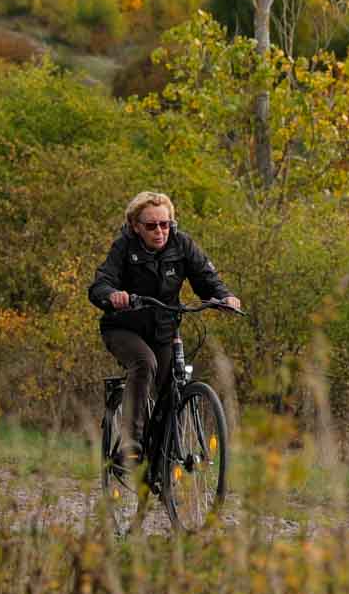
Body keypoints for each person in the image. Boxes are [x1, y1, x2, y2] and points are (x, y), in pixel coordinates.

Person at [87, 191, 240, 454]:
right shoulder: (124, 246)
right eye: (151, 226)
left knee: (172, 386)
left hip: (164, 329)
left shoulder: (182, 245)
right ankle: (130, 441)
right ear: (136, 226)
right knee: (145, 363)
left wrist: (224, 297)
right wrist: (113, 296)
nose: (159, 231)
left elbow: (206, 277)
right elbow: (100, 283)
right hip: (124, 327)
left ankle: (165, 457)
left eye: (165, 224)